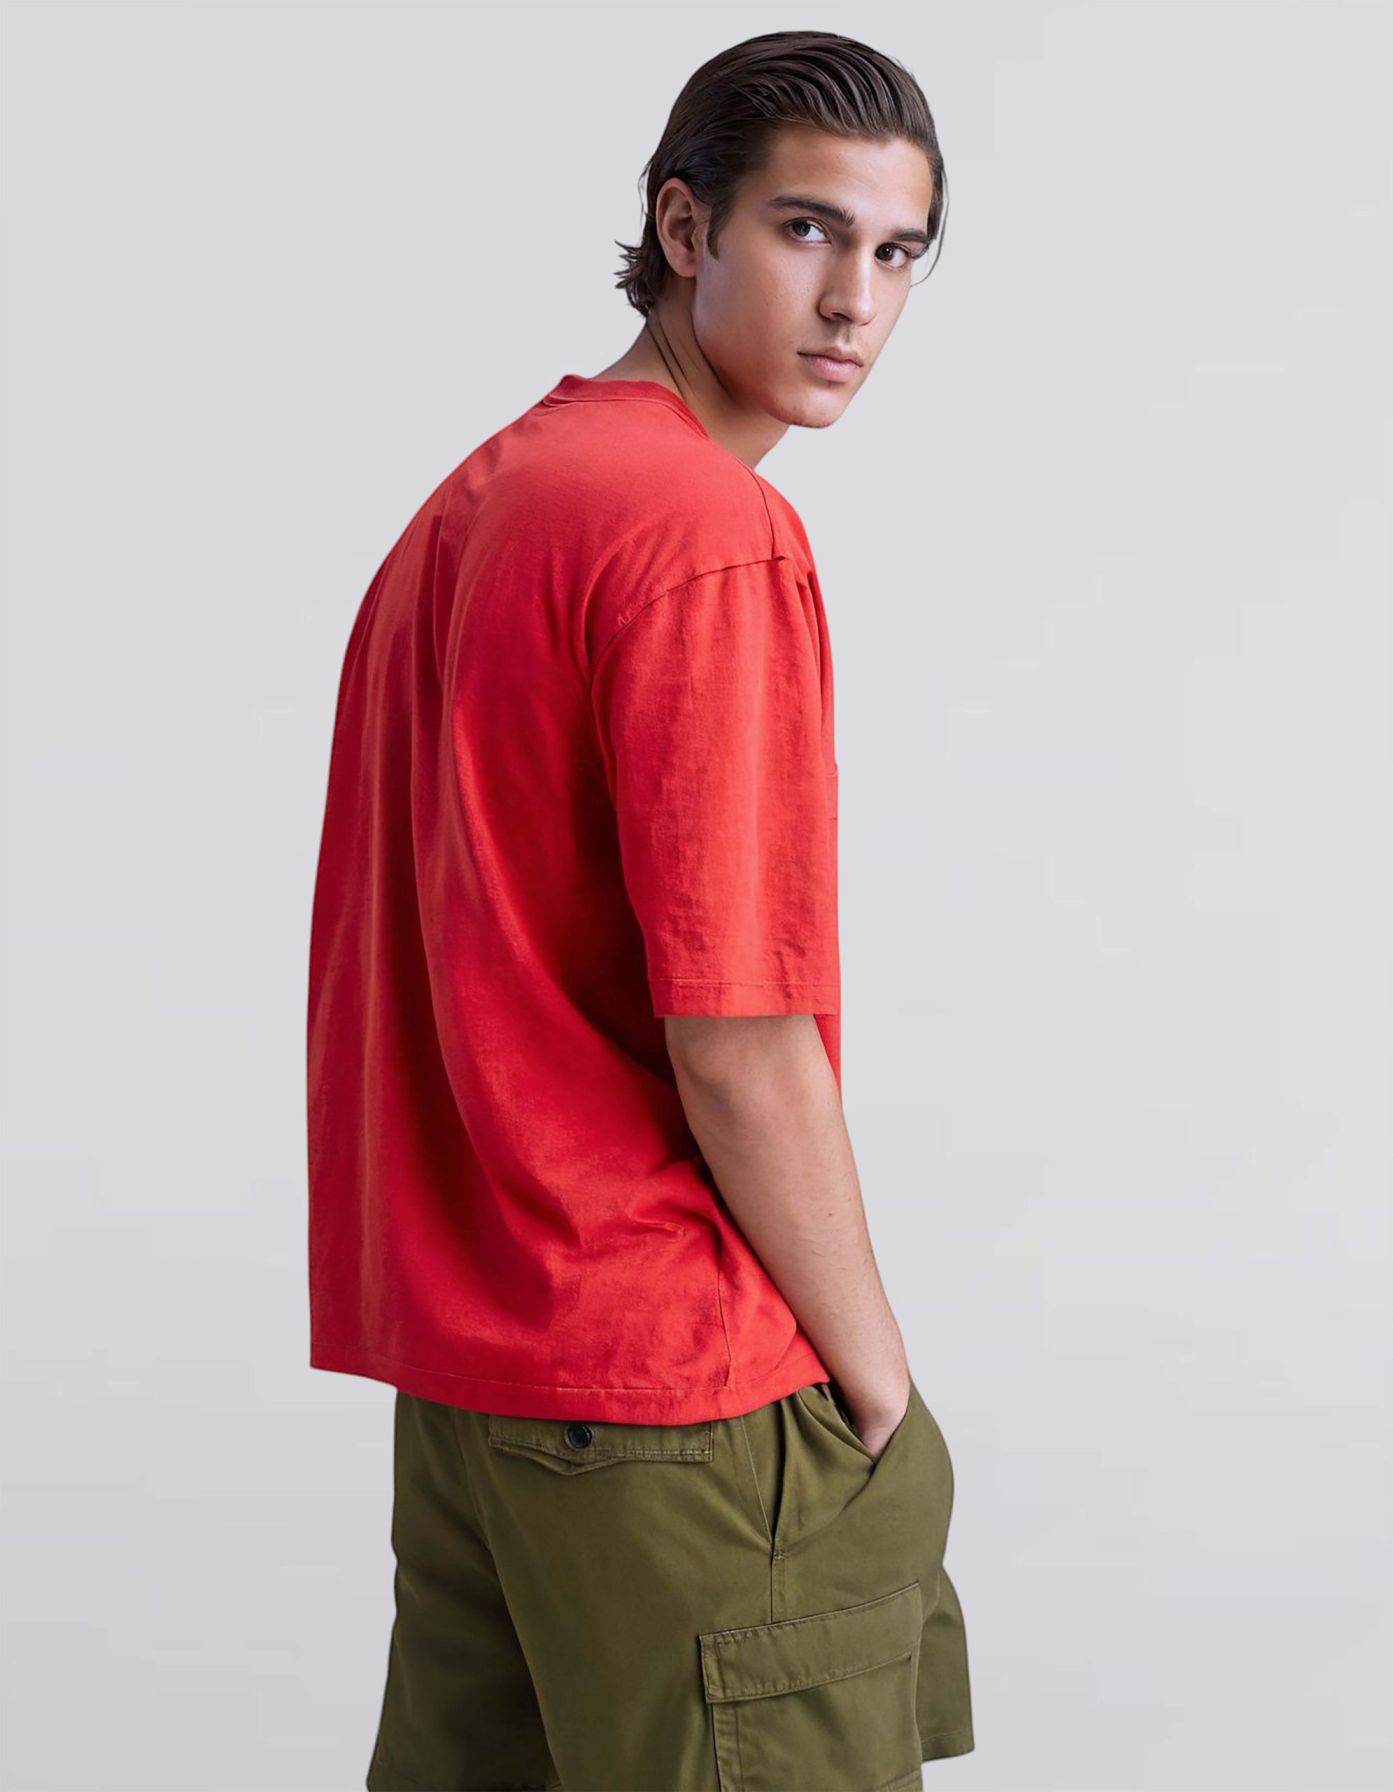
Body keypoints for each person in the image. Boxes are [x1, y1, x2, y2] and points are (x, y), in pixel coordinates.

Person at [306, 27, 974, 1790]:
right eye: (805, 230)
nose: (854, 300)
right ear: (684, 228)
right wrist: (877, 1381)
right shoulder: (702, 532)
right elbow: (737, 1033)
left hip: (478, 1388)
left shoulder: (479, 507)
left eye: (896, 251)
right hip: (672, 1384)